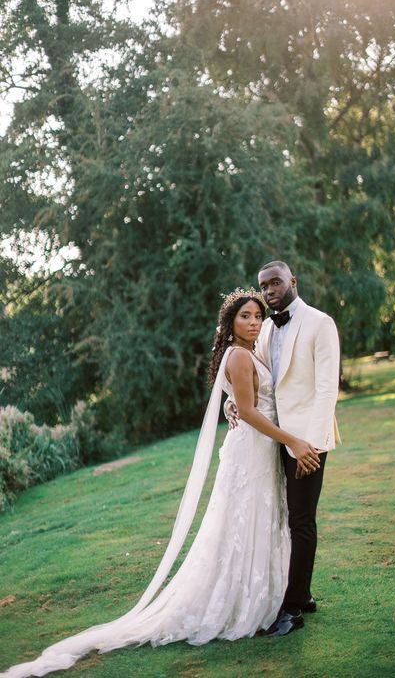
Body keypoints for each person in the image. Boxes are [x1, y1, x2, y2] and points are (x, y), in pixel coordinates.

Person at [1, 288, 320, 678]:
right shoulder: (238, 354)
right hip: (253, 449)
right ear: (230, 323)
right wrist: (292, 439)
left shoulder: (248, 352)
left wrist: (230, 405)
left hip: (257, 449)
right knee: (245, 521)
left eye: (257, 316)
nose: (254, 322)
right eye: (245, 317)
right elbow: (251, 412)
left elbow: (241, 400)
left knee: (255, 519)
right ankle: (240, 603)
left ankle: (265, 597)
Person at [226, 261, 340, 637]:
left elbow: (326, 390)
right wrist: (234, 404)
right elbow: (259, 383)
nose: (270, 289)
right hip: (271, 439)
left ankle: (292, 609)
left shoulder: (320, 323)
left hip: (306, 441)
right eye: (264, 285)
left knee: (301, 521)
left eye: (276, 282)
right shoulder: (267, 328)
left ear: (293, 282)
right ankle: (301, 593)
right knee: (282, 518)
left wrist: (314, 445)